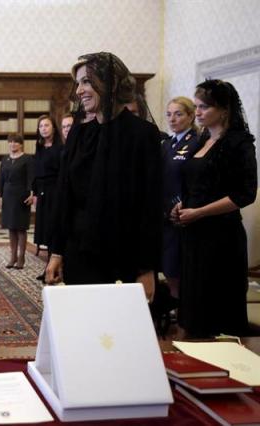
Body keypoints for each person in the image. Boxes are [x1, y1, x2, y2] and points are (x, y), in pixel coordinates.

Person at [46, 52, 162, 303]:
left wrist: (146, 268)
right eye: (78, 83)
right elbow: (65, 196)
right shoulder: (79, 134)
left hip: (124, 256)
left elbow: (150, 206)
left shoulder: (143, 135)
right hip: (79, 252)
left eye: (87, 82)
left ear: (110, 84)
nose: (79, 91)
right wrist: (57, 252)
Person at [172, 80, 257, 338]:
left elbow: (245, 194)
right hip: (193, 236)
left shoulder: (239, 143)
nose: (197, 112)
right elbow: (194, 183)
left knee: (216, 318)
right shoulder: (202, 139)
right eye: (196, 106)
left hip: (221, 239)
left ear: (224, 109)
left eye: (204, 107)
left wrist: (199, 212)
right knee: (192, 312)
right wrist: (180, 206)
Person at [161, 97, 200, 299]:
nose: (172, 119)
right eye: (169, 114)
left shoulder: (196, 142)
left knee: (180, 271)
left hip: (183, 216)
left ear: (191, 115)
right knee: (169, 270)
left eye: (178, 114)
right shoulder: (167, 144)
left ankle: (186, 322)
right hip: (164, 216)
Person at [0, 134, 34, 269]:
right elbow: (1, 180)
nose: (12, 144)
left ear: (21, 144)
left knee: (21, 227)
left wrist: (31, 193)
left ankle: (21, 256)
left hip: (22, 195)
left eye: (16, 142)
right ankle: (13, 257)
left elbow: (30, 178)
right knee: (11, 227)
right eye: (10, 142)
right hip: (8, 195)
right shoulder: (4, 159)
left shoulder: (27, 159)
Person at [31, 114, 63, 281]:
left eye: (46, 125)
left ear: (53, 128)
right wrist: (35, 193)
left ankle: (54, 267)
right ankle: (48, 267)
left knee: (53, 230)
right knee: (45, 230)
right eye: (41, 126)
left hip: (55, 192)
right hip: (42, 193)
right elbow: (36, 174)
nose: (43, 128)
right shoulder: (39, 149)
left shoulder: (60, 148)